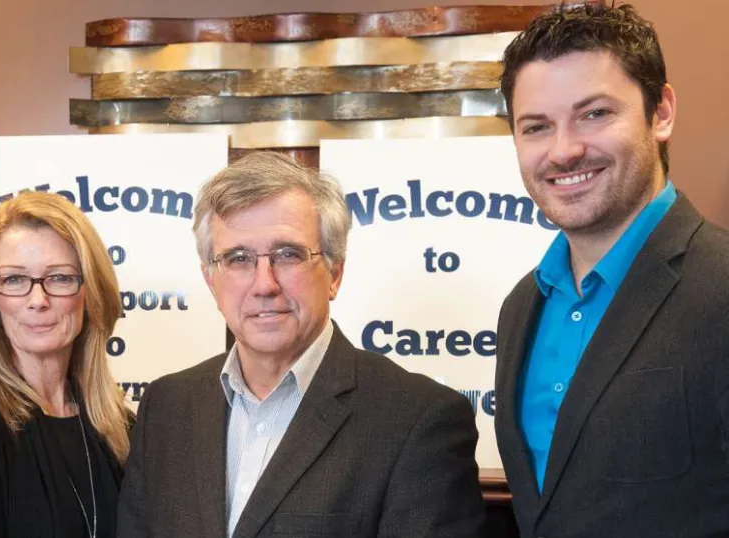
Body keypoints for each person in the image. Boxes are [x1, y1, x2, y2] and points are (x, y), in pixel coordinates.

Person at [117, 152, 486, 538]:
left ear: (334, 273)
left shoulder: (418, 420)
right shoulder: (166, 407)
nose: (264, 284)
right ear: (211, 281)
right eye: (238, 258)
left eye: (288, 255)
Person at [494, 3, 729, 537]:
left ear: (661, 111)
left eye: (594, 114)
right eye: (536, 127)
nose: (564, 150)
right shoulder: (520, 309)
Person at [0, 192, 130, 538]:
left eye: (59, 278)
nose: (38, 301)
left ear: (89, 292)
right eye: (14, 279)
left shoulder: (119, 427)